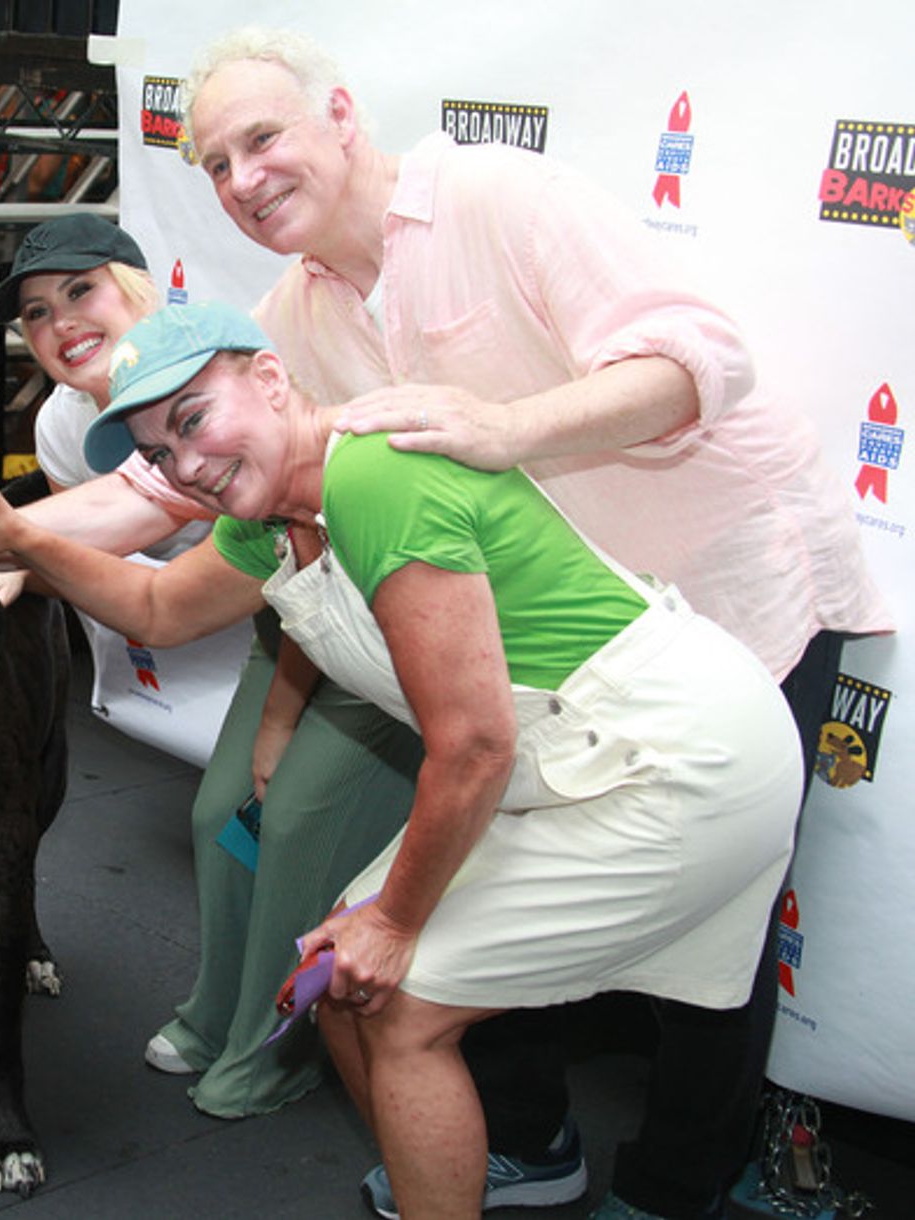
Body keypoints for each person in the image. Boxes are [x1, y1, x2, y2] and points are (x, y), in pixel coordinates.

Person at [178, 28, 892, 1220]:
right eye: (214, 163)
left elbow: (702, 361)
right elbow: (167, 469)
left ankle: (675, 1185)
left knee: (715, 934)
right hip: (565, 654)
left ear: (340, 116)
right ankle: (522, 1143)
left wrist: (506, 426)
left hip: (731, 591)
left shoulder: (493, 195)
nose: (242, 178)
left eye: (262, 138)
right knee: (480, 867)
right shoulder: (288, 320)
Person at [0, 300, 805, 1220]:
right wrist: (18, 536)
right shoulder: (269, 516)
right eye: (160, 453)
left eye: (194, 419)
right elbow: (158, 611)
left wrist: (397, 922)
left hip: (670, 759)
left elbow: (473, 742)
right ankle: (453, 1183)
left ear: (270, 379)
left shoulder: (375, 478)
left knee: (399, 1000)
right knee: (335, 984)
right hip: (567, 761)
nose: (189, 464)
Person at [0, 212, 421, 1117]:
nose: (61, 324)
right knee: (224, 813)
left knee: (293, 814)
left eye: (80, 291)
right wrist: (4, 555)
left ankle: (275, 1040)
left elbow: (307, 555)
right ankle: (223, 1010)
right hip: (289, 612)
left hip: (383, 631)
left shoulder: (239, 362)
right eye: (35, 313)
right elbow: (163, 593)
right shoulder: (67, 424)